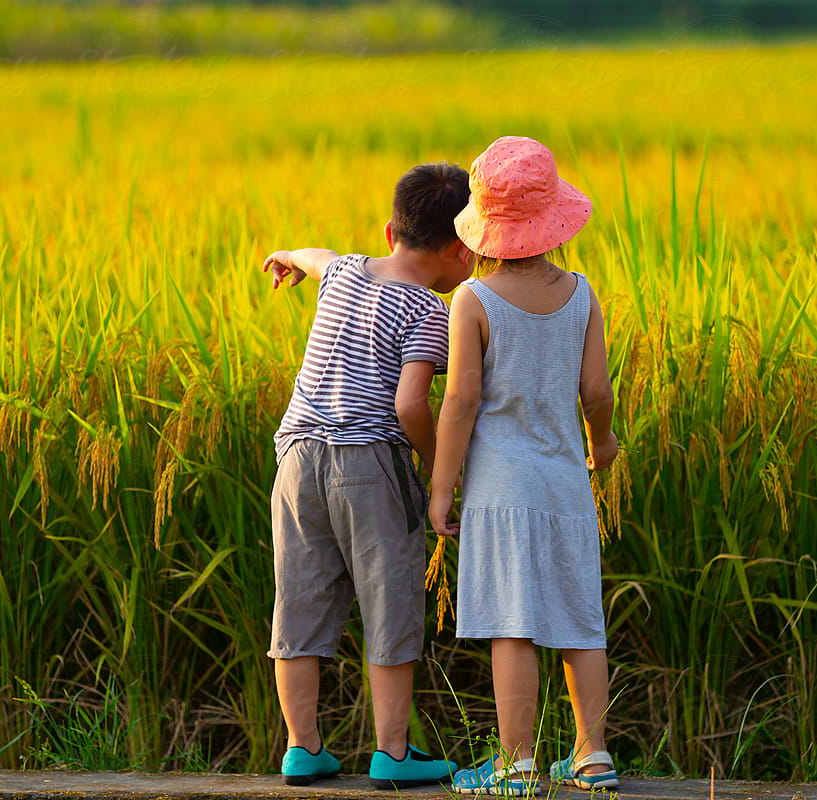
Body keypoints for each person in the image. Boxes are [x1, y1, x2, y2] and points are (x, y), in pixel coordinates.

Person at [263, 162, 473, 789]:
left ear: (390, 231)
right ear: (462, 250)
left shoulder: (348, 271)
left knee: (298, 603)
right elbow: (411, 405)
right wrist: (440, 471)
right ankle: (393, 754)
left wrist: (287, 257)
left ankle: (302, 748)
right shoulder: (429, 312)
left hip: (297, 459)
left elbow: (319, 257)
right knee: (389, 600)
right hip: (370, 463)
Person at [428, 136, 620, 797]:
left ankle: (515, 764)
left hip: (499, 488)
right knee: (579, 621)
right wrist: (602, 443)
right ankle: (593, 754)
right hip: (567, 484)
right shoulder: (582, 294)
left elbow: (459, 401)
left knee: (511, 624)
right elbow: (596, 391)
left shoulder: (472, 301)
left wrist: (442, 488)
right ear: (553, 220)